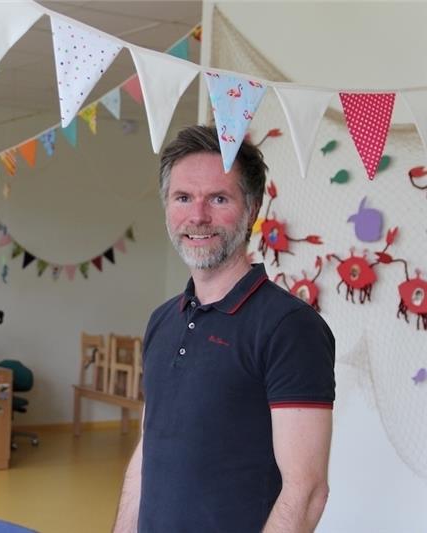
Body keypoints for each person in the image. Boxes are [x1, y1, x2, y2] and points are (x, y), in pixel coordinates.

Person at [113, 125, 335, 533]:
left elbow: (306, 491)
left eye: (218, 198)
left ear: (251, 210)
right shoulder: (163, 320)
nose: (197, 216)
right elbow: (149, 450)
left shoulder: (290, 328)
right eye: (183, 198)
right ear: (167, 206)